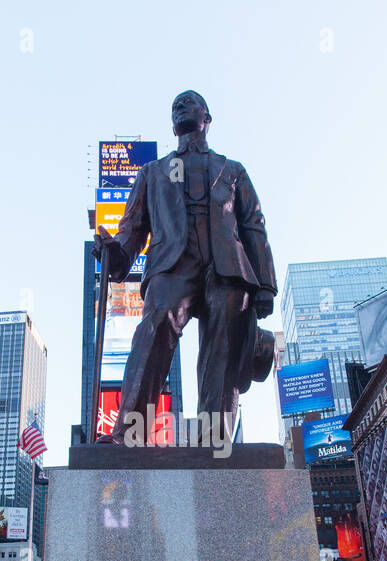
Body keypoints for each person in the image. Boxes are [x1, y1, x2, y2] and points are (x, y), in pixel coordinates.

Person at [94, 91, 276, 444]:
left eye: (189, 103)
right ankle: (128, 436)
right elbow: (131, 231)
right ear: (172, 124)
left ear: (207, 118)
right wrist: (114, 255)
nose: (181, 107)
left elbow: (254, 224)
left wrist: (265, 284)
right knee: (154, 328)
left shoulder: (233, 170)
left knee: (222, 345)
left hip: (226, 269)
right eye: (176, 105)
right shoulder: (153, 172)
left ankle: (214, 439)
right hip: (172, 265)